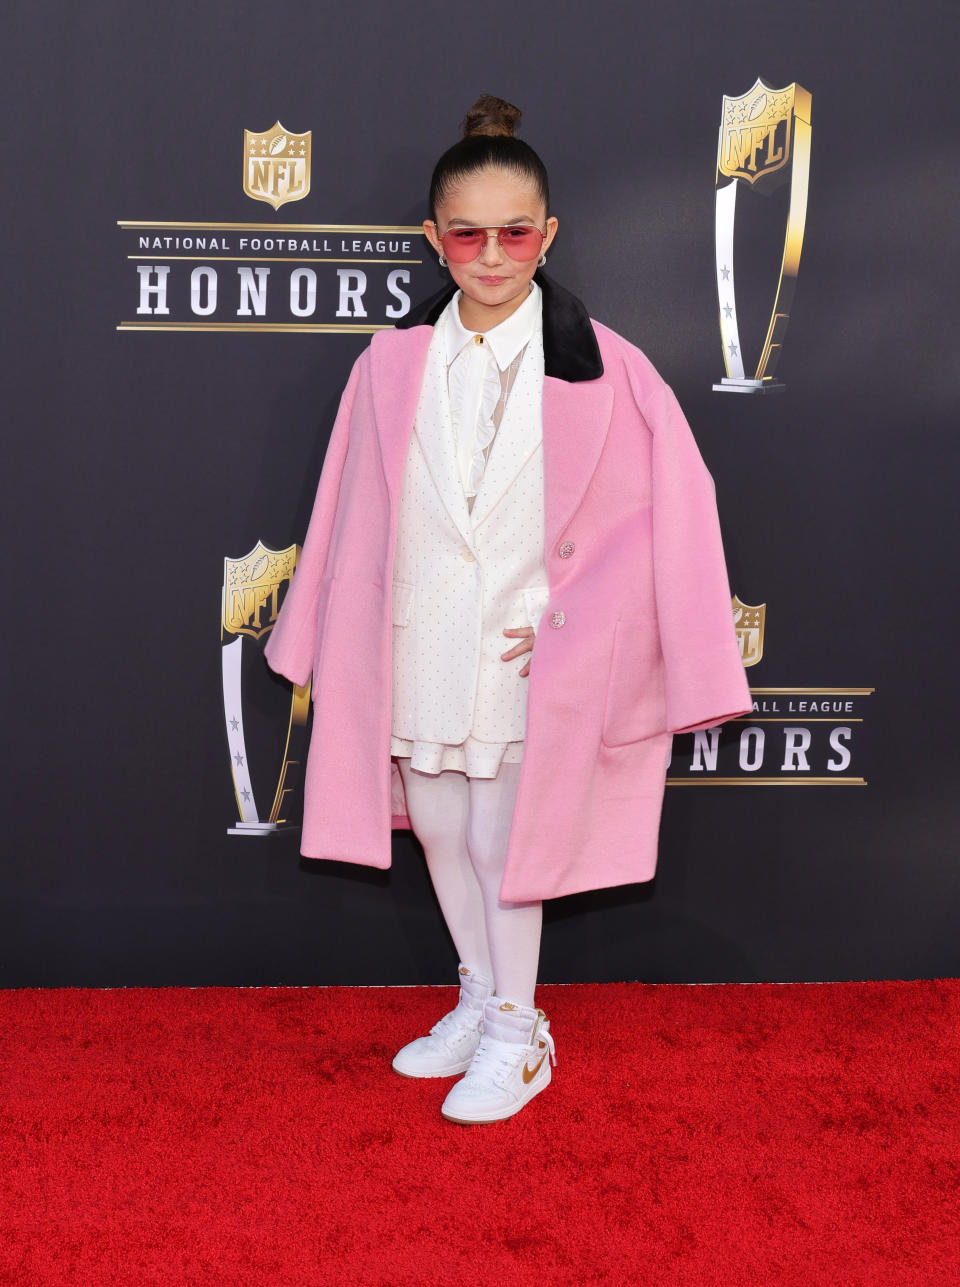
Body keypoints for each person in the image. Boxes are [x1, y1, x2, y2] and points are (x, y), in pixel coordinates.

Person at [264, 94, 753, 1125]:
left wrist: (588, 618)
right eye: (469, 232)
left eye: (515, 231)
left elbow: (672, 516)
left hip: (533, 656)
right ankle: (482, 999)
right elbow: (345, 501)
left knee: (505, 841)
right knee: (439, 825)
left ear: (550, 235)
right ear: (433, 239)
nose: (493, 253)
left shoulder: (609, 368)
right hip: (420, 637)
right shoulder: (388, 364)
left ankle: (521, 1032)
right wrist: (322, 631)